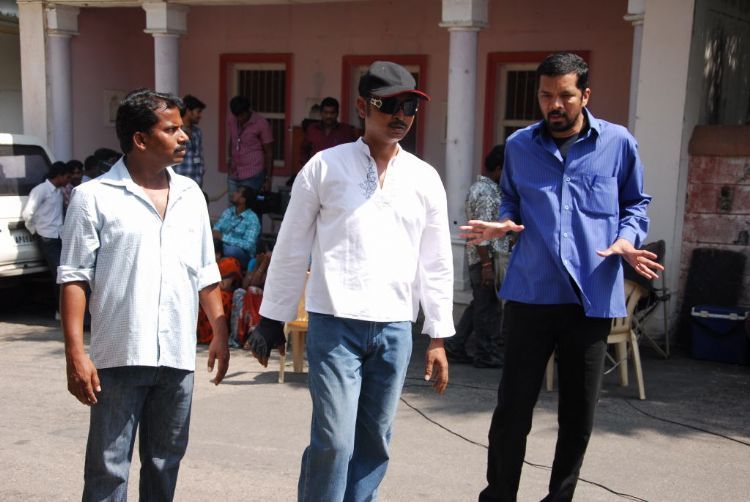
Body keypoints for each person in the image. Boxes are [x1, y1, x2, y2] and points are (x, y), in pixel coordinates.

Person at [461, 53, 664, 502]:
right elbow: (511, 199)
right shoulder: (519, 146)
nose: (554, 105)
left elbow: (635, 204)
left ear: (585, 95)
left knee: (578, 415)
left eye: (565, 96)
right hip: (532, 293)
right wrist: (504, 221)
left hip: (590, 297)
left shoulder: (618, 143)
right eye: (546, 95)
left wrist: (626, 239)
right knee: (512, 410)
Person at [251, 61, 454, 501]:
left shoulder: (424, 178)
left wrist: (437, 335)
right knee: (335, 441)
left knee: (375, 441)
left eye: (410, 107)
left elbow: (436, 261)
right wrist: (272, 318)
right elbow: (291, 246)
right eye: (389, 105)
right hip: (334, 324)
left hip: (395, 327)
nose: (400, 116)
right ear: (363, 106)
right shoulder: (325, 167)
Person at [58, 89, 230, 501]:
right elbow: (74, 278)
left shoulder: (190, 194)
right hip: (119, 356)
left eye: (182, 128)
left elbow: (205, 269)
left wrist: (220, 332)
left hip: (176, 356)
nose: (183, 137)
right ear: (140, 139)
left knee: (164, 464)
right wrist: (75, 354)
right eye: (171, 130)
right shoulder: (93, 197)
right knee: (108, 470)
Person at [446, 145, 510, 369]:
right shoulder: (486, 192)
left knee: (480, 304)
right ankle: (485, 353)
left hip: (483, 257)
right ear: (499, 168)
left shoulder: (484, 188)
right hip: (486, 258)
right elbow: (481, 232)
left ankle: (455, 345)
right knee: (487, 308)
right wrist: (487, 265)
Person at [22, 160, 70, 318]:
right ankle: (60, 311)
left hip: (59, 235)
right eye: (67, 177)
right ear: (59, 176)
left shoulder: (59, 191)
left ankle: (63, 309)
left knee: (63, 272)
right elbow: (28, 213)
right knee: (59, 273)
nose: (68, 180)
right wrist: (35, 231)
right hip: (47, 236)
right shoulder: (41, 190)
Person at [227, 95, 274, 192]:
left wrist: (268, 178)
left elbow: (269, 152)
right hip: (234, 172)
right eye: (237, 116)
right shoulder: (232, 120)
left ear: (248, 110)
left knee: (246, 201)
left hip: (253, 174)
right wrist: (229, 161)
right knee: (232, 201)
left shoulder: (261, 123)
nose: (239, 119)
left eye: (242, 115)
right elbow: (232, 141)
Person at [299, 96, 357, 169]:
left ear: (337, 113)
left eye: (332, 113)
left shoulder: (346, 131)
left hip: (338, 171)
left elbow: (353, 153)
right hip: (316, 170)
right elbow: (304, 151)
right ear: (321, 113)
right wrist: (306, 167)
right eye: (326, 112)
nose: (329, 116)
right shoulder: (312, 129)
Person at [212, 186, 261, 270]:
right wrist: (216, 234)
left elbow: (248, 245)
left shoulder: (252, 219)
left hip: (243, 255)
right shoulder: (228, 211)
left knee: (231, 250)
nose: (233, 193)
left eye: (237, 192)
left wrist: (223, 237)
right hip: (222, 246)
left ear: (243, 200)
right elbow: (216, 229)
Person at [174, 94, 206, 187]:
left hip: (196, 184)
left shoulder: (197, 132)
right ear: (188, 111)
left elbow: (199, 156)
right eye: (198, 112)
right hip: (179, 185)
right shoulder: (175, 132)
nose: (200, 116)